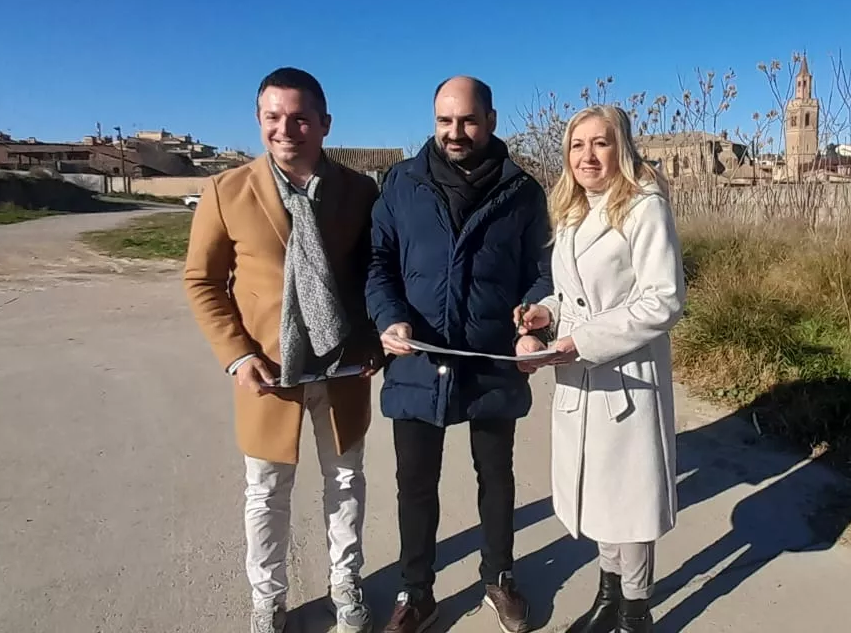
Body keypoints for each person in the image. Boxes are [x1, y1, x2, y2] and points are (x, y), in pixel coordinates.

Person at [184, 67, 384, 633]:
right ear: (259, 120)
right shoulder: (227, 191)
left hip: (343, 367)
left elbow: (373, 273)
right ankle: (267, 598)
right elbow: (202, 280)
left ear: (324, 123)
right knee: (266, 491)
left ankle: (346, 584)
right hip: (268, 371)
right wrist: (238, 356)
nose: (286, 128)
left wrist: (373, 339)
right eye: (273, 117)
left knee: (345, 482)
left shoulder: (358, 191)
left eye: (299, 117)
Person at [366, 75, 552, 633]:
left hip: (492, 360)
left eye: (468, 120)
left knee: (496, 476)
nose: (456, 132)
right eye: (445, 121)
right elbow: (378, 263)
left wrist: (533, 324)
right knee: (415, 484)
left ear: (491, 120)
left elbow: (541, 273)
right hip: (418, 360)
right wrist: (387, 317)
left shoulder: (523, 192)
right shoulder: (400, 184)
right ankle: (416, 592)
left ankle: (500, 577)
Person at [515, 104, 685, 633]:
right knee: (598, 499)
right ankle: (609, 597)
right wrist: (547, 313)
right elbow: (577, 296)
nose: (588, 155)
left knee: (628, 504)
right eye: (577, 145)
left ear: (622, 148)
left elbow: (663, 301)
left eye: (600, 143)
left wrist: (579, 341)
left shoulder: (643, 207)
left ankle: (636, 612)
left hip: (625, 379)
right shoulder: (572, 211)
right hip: (579, 377)